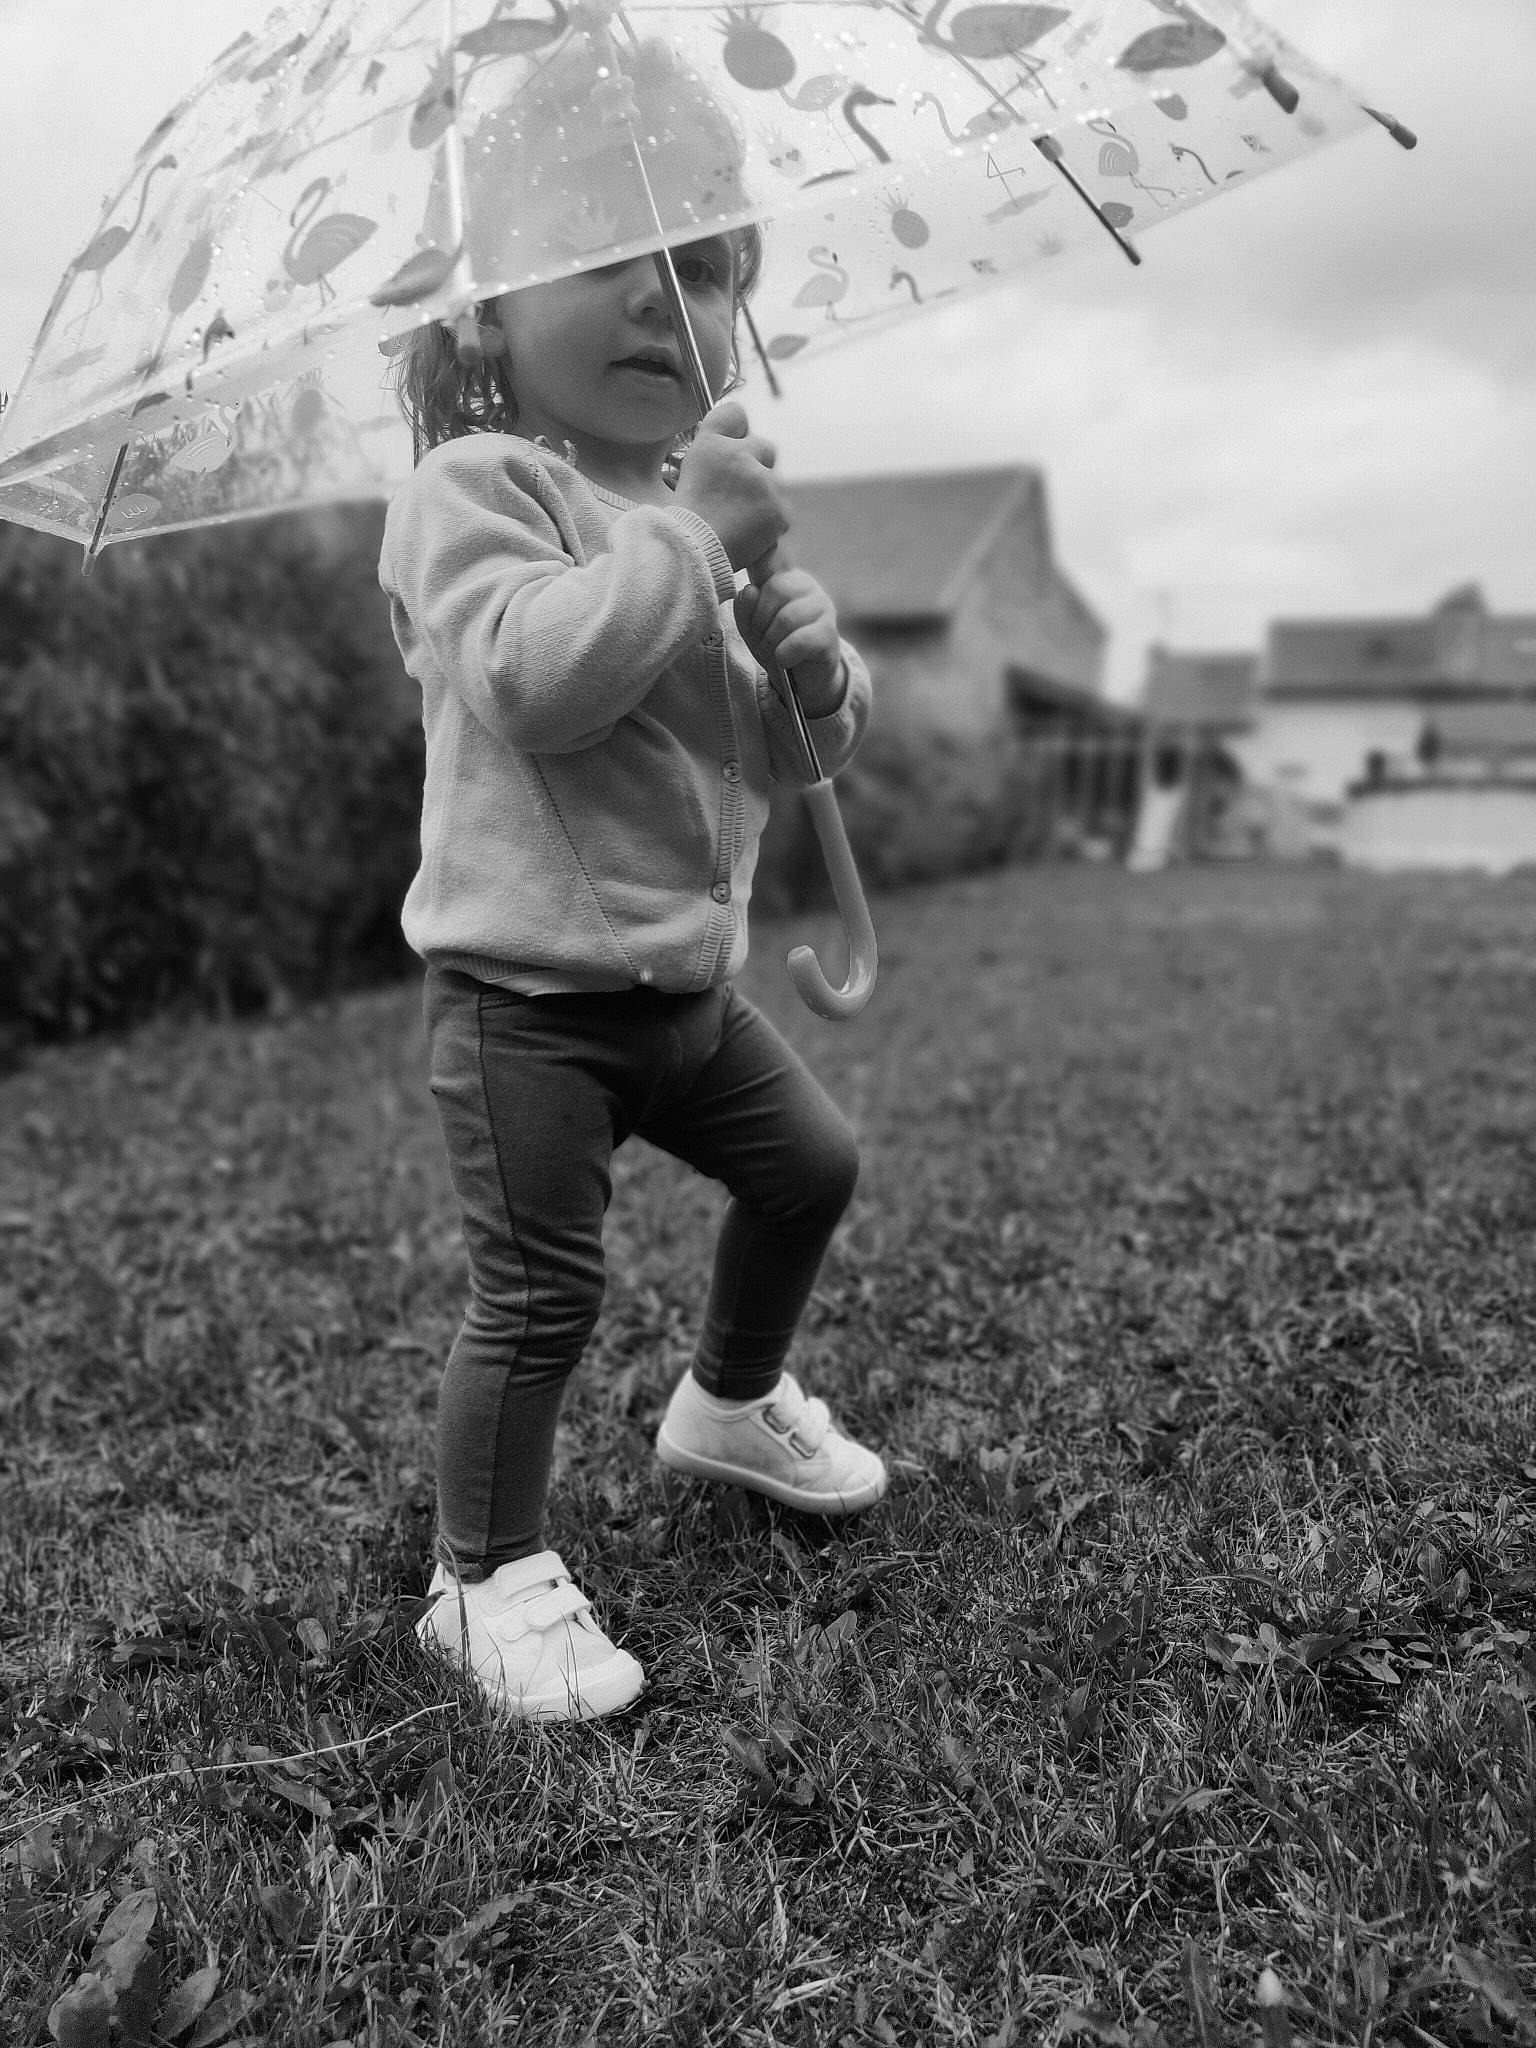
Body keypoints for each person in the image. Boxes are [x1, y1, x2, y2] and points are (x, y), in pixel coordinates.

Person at [378, 38, 885, 1723]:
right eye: (615, 259)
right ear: (488, 310)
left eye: (714, 267)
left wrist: (809, 674)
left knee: (812, 1163)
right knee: (539, 1293)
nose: (677, 302)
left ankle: (727, 1404)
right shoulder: (478, 490)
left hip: (686, 990)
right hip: (526, 1006)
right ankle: (482, 1575)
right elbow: (534, 676)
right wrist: (693, 545)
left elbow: (771, 761)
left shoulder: (689, 512)